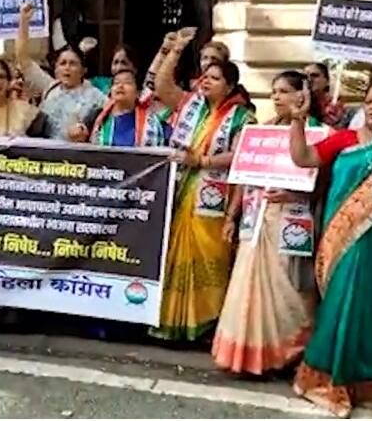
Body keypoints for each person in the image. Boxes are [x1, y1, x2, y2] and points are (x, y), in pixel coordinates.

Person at [288, 76, 372, 418]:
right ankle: (328, 378)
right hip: (342, 239)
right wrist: (298, 120)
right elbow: (304, 158)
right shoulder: (345, 139)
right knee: (343, 300)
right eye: (369, 100)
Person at [212, 71, 322, 375]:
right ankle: (247, 357)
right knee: (248, 284)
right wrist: (232, 216)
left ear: (303, 95)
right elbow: (242, 179)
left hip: (291, 219)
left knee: (290, 286)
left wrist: (291, 192)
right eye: (274, 91)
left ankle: (288, 353)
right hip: (256, 217)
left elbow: (322, 181)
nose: (276, 97)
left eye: (285, 91)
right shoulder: (261, 132)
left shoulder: (318, 133)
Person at [150, 27, 254, 342]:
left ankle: (207, 324)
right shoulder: (191, 106)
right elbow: (161, 85)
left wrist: (205, 162)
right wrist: (176, 50)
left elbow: (241, 156)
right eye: (204, 76)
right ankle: (173, 323)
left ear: (231, 85)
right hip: (184, 191)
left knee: (210, 259)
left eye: (215, 78)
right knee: (176, 254)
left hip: (217, 198)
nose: (206, 81)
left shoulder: (242, 117)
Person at [15, 4, 105, 140]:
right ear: (56, 69)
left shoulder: (97, 97)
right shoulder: (50, 87)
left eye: (73, 63)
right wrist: (23, 22)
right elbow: (23, 60)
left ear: (83, 70)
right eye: (62, 63)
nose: (67, 67)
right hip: (46, 155)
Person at [70, 69, 165, 147]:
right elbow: (77, 136)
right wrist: (77, 133)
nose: (120, 86)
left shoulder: (152, 121)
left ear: (138, 93)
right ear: (110, 91)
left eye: (127, 82)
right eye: (116, 83)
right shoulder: (97, 116)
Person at [303, 62, 345, 127]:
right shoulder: (298, 101)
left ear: (327, 81)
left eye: (314, 76)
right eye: (305, 77)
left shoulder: (333, 104)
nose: (309, 79)